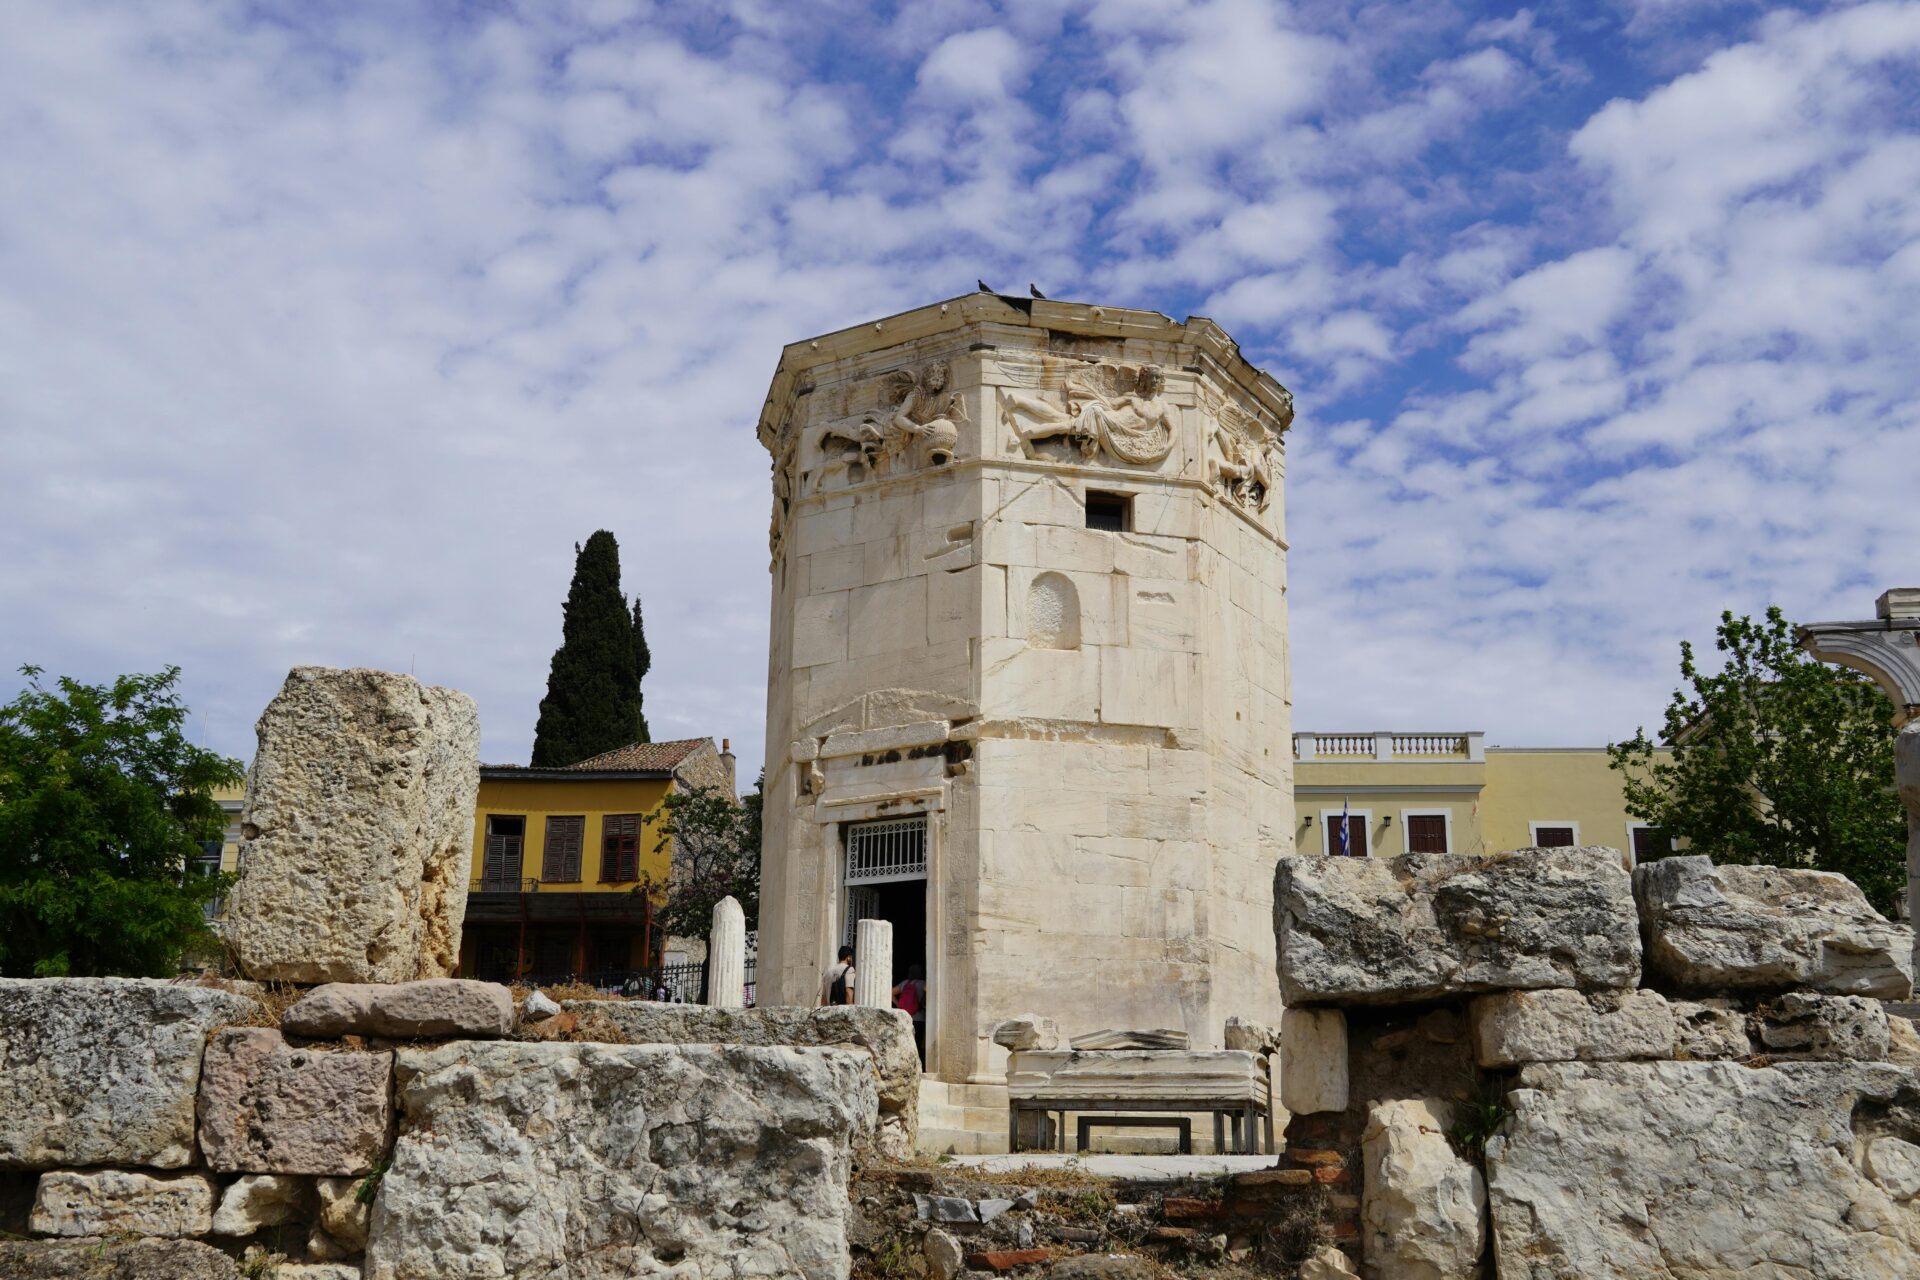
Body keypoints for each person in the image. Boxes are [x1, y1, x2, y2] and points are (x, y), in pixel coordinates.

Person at [892, 964, 927, 1066]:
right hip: (919, 1018)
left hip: (906, 1018)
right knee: (917, 1043)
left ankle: (906, 1064)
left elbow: (890, 993)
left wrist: (899, 1006)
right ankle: (916, 1065)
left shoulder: (904, 983)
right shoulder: (922, 984)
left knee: (906, 1043)